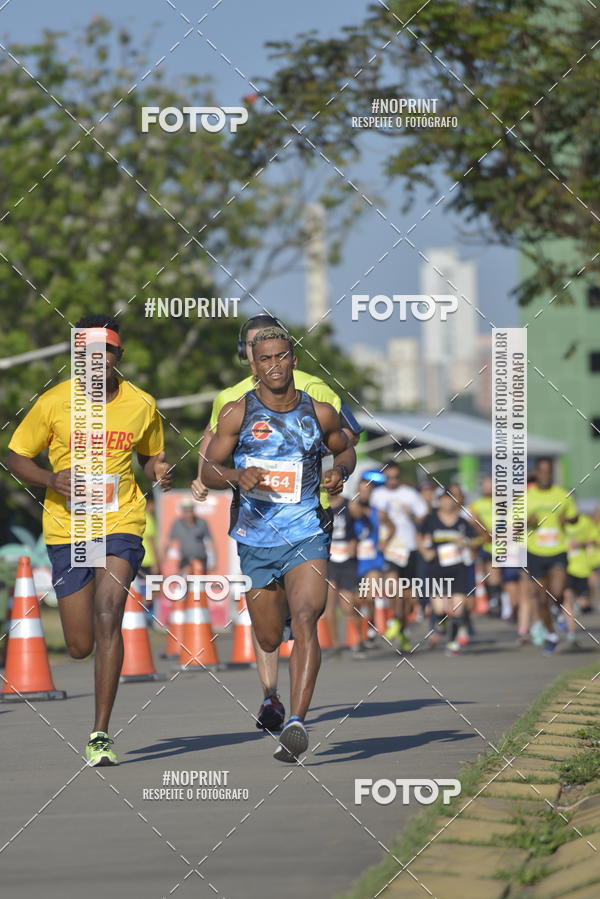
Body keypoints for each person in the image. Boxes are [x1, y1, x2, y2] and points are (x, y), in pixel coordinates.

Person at [6, 315, 171, 765]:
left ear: (120, 357)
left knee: (108, 613)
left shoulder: (141, 404)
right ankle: (94, 685)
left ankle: (100, 732)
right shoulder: (54, 402)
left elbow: (152, 454)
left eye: (106, 353)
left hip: (120, 520)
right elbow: (16, 456)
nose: (97, 362)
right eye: (87, 354)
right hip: (70, 529)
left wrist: (159, 471)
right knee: (80, 643)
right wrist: (49, 479)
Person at [191, 313, 361, 732]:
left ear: (293, 359)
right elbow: (209, 469)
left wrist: (340, 472)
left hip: (307, 529)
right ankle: (273, 694)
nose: (274, 365)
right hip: (255, 536)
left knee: (305, 618)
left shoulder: (318, 412)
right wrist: (235, 476)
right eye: (264, 358)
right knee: (269, 636)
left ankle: (297, 722)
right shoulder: (236, 412)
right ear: (253, 365)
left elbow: (345, 449)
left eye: (281, 356)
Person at [370, 461, 428, 651]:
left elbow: (422, 516)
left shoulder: (409, 494)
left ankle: (402, 628)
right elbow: (372, 518)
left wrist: (409, 514)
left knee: (408, 597)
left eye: (395, 477)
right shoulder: (378, 495)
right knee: (392, 587)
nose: (392, 481)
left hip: (409, 547)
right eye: (388, 477)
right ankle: (395, 621)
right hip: (390, 548)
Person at [524, 457, 577, 654]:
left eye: (549, 471)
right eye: (542, 471)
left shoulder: (563, 495)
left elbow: (574, 516)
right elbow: (515, 525)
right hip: (536, 551)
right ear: (536, 473)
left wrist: (568, 519)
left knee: (556, 591)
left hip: (557, 549)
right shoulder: (527, 497)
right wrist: (528, 522)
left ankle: (557, 609)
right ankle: (551, 634)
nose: (545, 475)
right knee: (540, 598)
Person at [417, 487, 478, 655]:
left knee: (458, 609)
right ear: (439, 501)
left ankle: (452, 643)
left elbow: (475, 541)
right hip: (436, 570)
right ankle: (441, 624)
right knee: (439, 609)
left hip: (458, 570)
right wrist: (425, 552)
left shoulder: (462, 523)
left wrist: (466, 544)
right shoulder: (431, 520)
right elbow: (419, 537)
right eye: (444, 499)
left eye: (450, 499)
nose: (447, 502)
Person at [348, 470, 388, 649]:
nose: (364, 493)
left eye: (367, 490)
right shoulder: (349, 509)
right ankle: (360, 637)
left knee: (370, 596)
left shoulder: (377, 513)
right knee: (356, 601)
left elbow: (392, 527)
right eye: (361, 490)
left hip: (373, 561)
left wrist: (385, 542)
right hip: (354, 561)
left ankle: (370, 622)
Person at [324, 491, 361, 654]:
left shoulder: (349, 504)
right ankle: (335, 644)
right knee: (329, 604)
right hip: (329, 558)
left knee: (348, 605)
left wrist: (355, 543)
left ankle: (359, 639)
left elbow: (362, 521)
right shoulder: (319, 504)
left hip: (347, 559)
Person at [562, 510, 599, 645]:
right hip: (564, 567)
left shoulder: (586, 522)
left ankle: (567, 613)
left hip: (582, 568)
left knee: (583, 603)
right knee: (567, 598)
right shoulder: (559, 522)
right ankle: (571, 634)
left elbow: (595, 540)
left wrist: (581, 544)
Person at [167, 497, 214, 572]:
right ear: (182, 511)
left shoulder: (202, 522)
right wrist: (161, 560)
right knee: (183, 582)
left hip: (200, 560)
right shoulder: (177, 524)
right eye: (186, 511)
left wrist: (212, 560)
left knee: (199, 582)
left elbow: (209, 542)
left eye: (191, 511)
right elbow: (168, 542)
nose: (189, 514)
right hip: (185, 560)